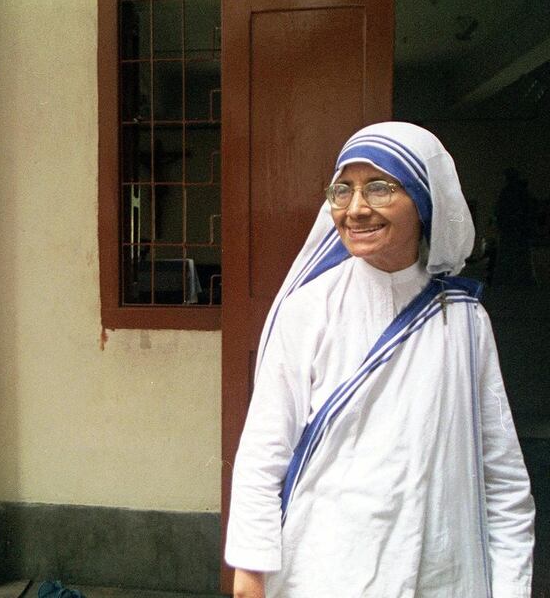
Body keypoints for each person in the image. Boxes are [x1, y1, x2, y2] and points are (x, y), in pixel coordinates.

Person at [225, 122, 535, 597]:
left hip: (440, 569)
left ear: (425, 200)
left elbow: (503, 476)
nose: (356, 209)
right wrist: (249, 568)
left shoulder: (466, 321)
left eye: (379, 188)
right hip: (325, 568)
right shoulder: (310, 309)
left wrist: (511, 586)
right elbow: (264, 450)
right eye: (342, 190)